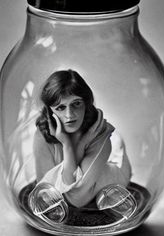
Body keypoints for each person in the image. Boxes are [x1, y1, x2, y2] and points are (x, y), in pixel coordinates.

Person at [33, 69, 132, 208]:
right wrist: (72, 144)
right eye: (60, 107)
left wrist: (71, 145)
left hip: (114, 173)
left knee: (100, 197)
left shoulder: (100, 133)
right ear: (50, 111)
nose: (70, 115)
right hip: (87, 186)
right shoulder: (43, 134)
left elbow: (77, 199)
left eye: (77, 103)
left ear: (86, 103)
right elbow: (46, 193)